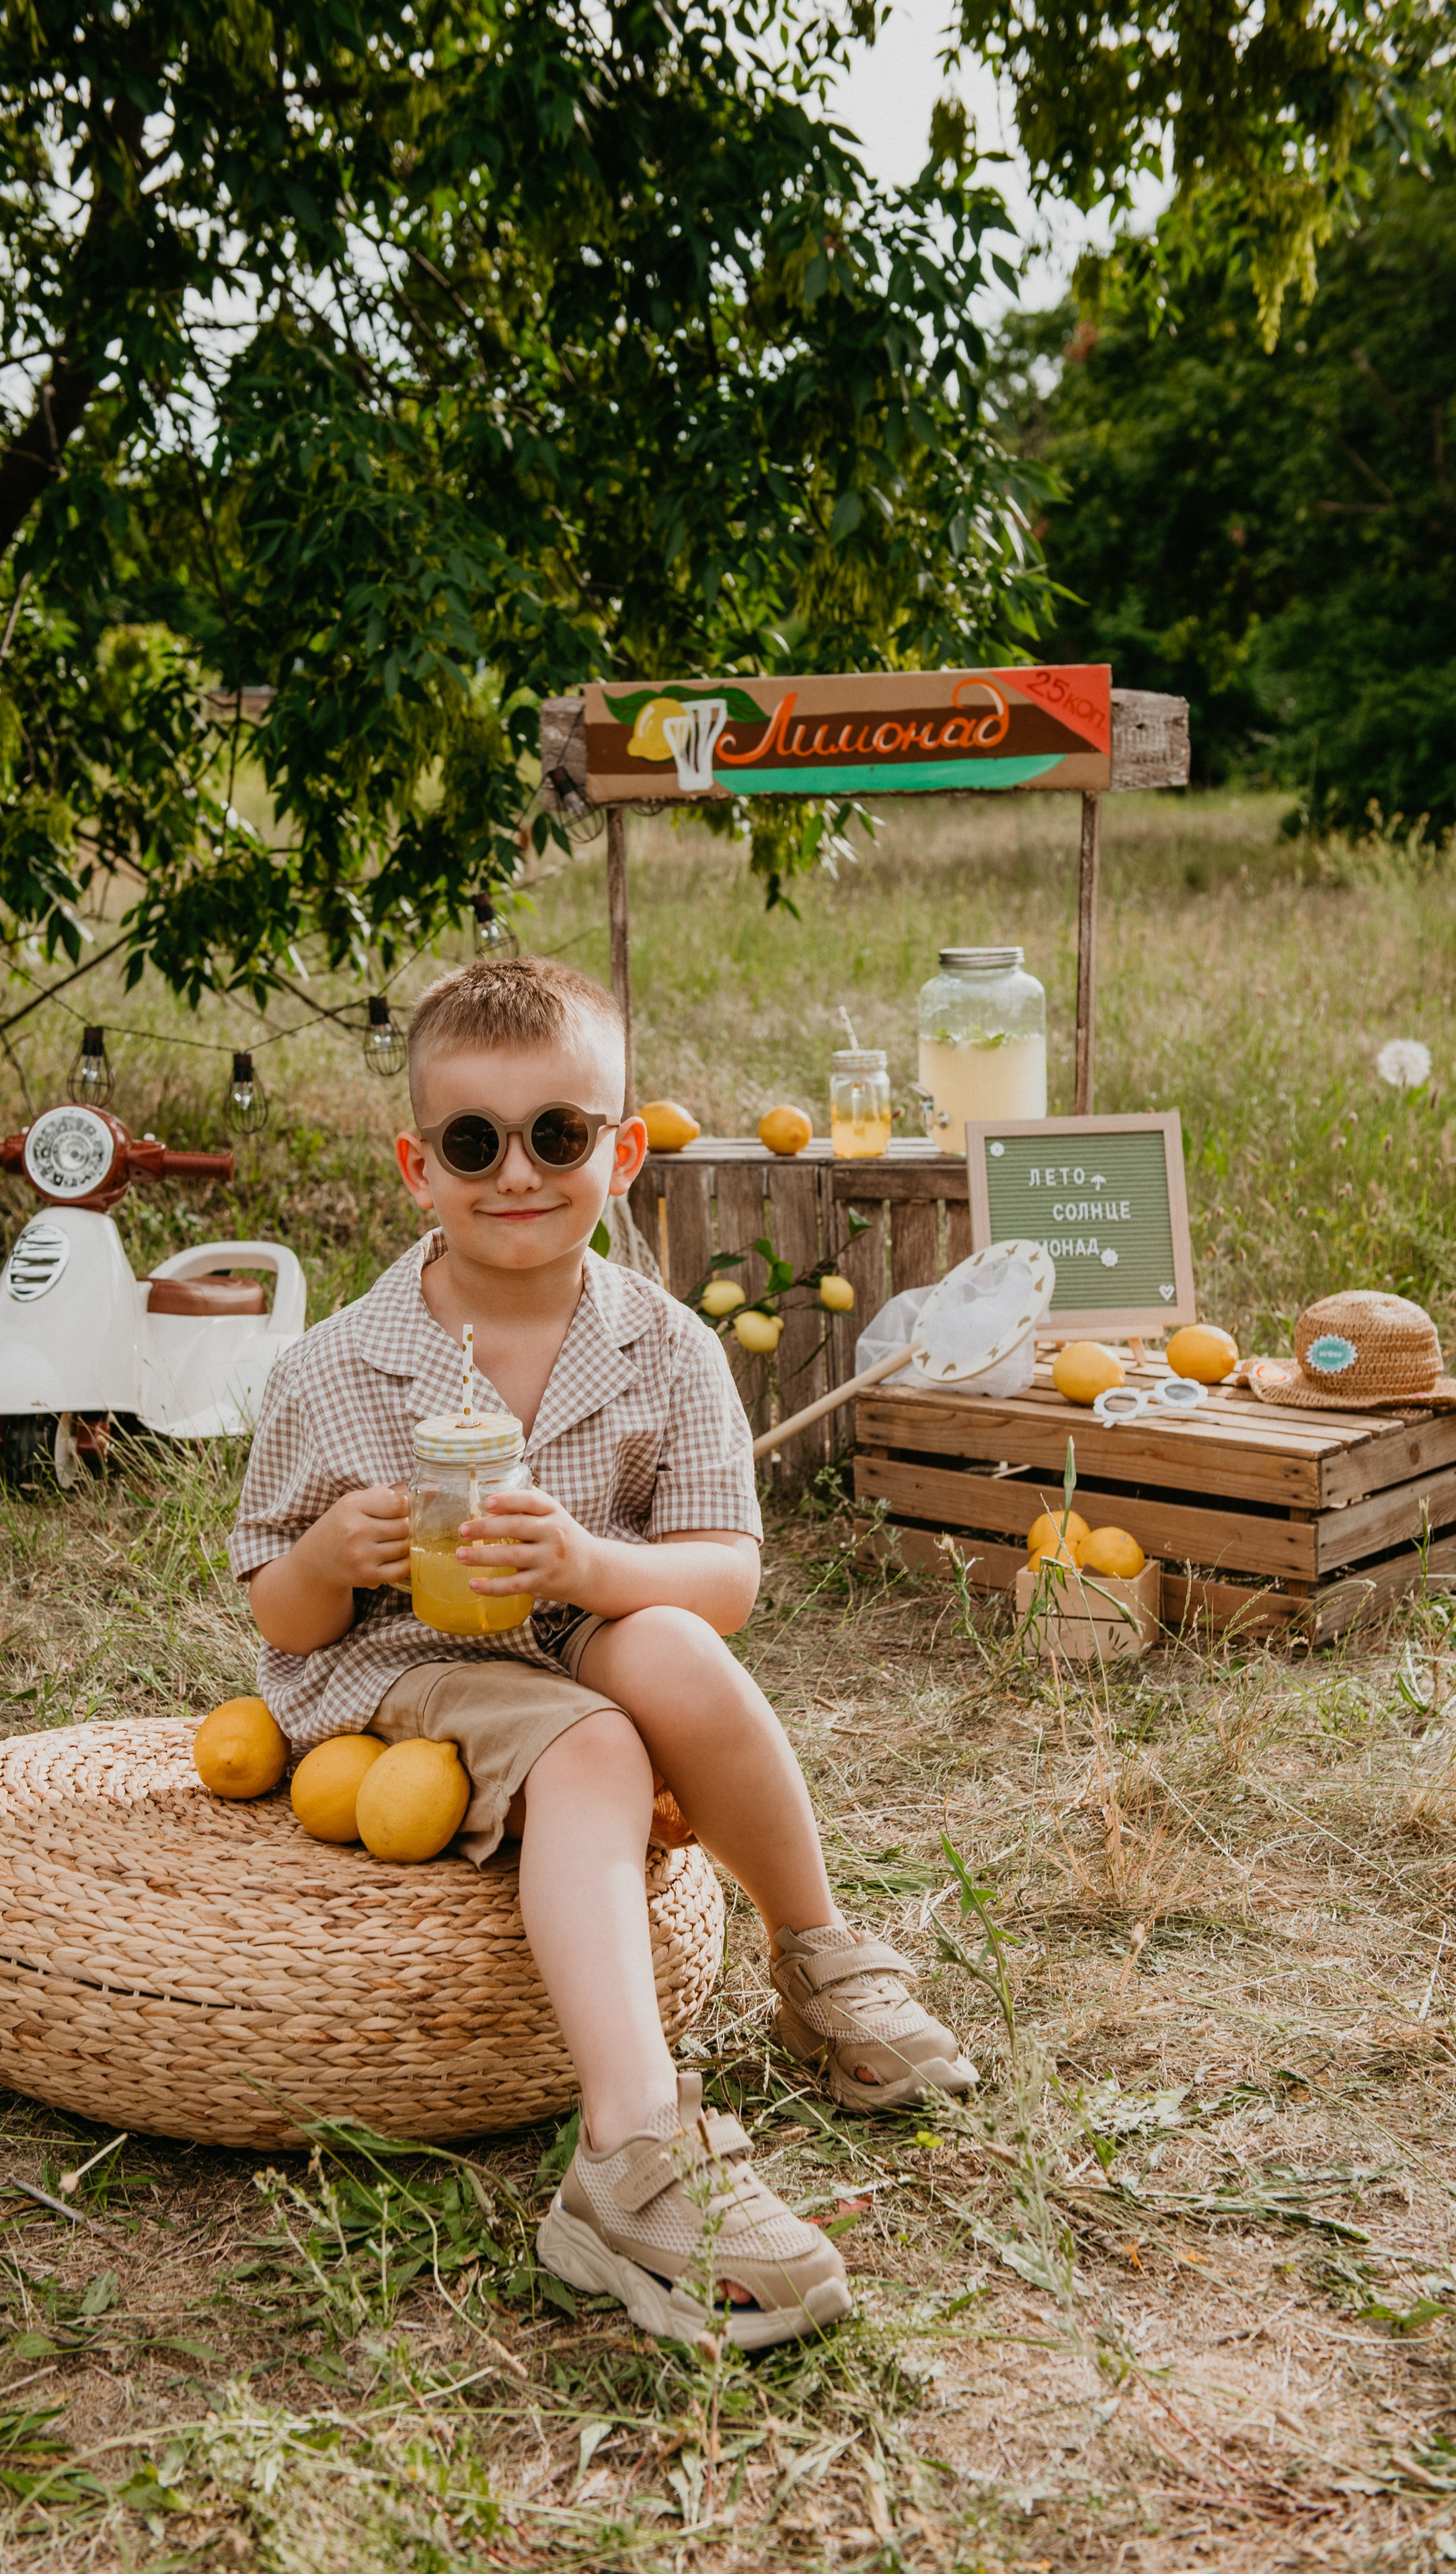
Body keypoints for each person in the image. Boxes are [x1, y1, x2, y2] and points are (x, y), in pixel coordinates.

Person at [231, 955, 976, 2349]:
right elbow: (280, 1614)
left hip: (570, 1626)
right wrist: (332, 1556)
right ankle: (627, 2154)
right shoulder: (335, 1366)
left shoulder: (665, 1349)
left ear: (621, 1153)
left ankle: (813, 1958)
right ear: (416, 1166)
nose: (516, 1171)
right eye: (473, 1142)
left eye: (558, 1135)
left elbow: (721, 1577)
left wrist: (588, 1566)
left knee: (677, 1664)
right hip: (397, 1672)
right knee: (595, 1745)